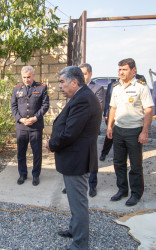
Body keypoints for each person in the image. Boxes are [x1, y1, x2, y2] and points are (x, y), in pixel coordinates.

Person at [46, 66, 101, 250]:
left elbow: (70, 133)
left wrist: (51, 144)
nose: (60, 86)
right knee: (74, 199)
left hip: (77, 160)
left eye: (62, 82)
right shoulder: (79, 96)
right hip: (74, 158)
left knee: (78, 204)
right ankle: (74, 229)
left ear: (74, 82)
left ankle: (80, 244)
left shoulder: (83, 99)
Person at [107, 58, 153, 207]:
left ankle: (135, 194)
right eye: (119, 69)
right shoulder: (116, 87)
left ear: (134, 71)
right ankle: (122, 190)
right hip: (119, 130)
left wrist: (144, 132)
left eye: (124, 69)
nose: (121, 72)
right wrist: (109, 127)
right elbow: (113, 108)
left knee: (135, 165)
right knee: (118, 163)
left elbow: (149, 110)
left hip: (135, 131)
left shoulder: (141, 87)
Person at [11, 66, 49, 186]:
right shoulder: (16, 89)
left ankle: (35, 175)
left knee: (36, 152)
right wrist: (20, 119)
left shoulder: (41, 87)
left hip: (35, 126)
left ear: (33, 75)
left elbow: (45, 105)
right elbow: (13, 106)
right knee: (21, 152)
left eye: (28, 77)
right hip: (21, 127)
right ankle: (22, 174)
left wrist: (35, 118)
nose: (26, 79)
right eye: (24, 77)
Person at [80, 63, 103, 197]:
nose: (82, 77)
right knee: (77, 157)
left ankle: (92, 185)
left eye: (85, 74)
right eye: (80, 74)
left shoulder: (97, 89)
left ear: (90, 74)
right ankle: (74, 183)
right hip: (76, 130)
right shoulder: (74, 88)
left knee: (91, 159)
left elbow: (98, 108)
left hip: (89, 130)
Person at [99, 79, 116, 161]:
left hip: (124, 116)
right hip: (112, 114)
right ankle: (104, 153)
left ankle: (118, 155)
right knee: (110, 134)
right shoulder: (112, 85)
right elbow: (107, 100)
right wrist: (106, 113)